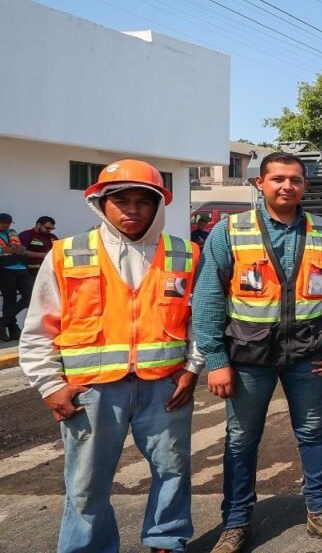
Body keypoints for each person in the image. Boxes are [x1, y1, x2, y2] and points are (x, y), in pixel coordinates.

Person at [18, 160, 199, 553]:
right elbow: (38, 329)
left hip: (165, 387)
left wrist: (192, 368)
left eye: (142, 201)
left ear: (158, 206)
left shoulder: (185, 253)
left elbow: (201, 320)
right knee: (86, 482)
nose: (131, 209)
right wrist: (51, 385)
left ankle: (167, 541)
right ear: (101, 203)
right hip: (92, 392)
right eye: (121, 200)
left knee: (173, 472)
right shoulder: (66, 254)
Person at [194, 152, 322, 553]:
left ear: (305, 186)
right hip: (249, 358)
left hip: (309, 353)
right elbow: (208, 299)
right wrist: (215, 361)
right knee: (241, 439)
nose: (288, 186)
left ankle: (320, 511)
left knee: (312, 431)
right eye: (278, 179)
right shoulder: (230, 231)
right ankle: (236, 522)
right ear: (260, 184)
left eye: (296, 180)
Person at [0, 212, 30, 342]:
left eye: (8, 223)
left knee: (29, 297)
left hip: (21, 267)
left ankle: (2, 323)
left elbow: (20, 248)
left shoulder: (12, 232)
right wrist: (3, 250)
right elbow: (5, 250)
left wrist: (20, 249)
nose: (7, 225)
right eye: (4, 222)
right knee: (9, 300)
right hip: (5, 269)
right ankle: (13, 329)